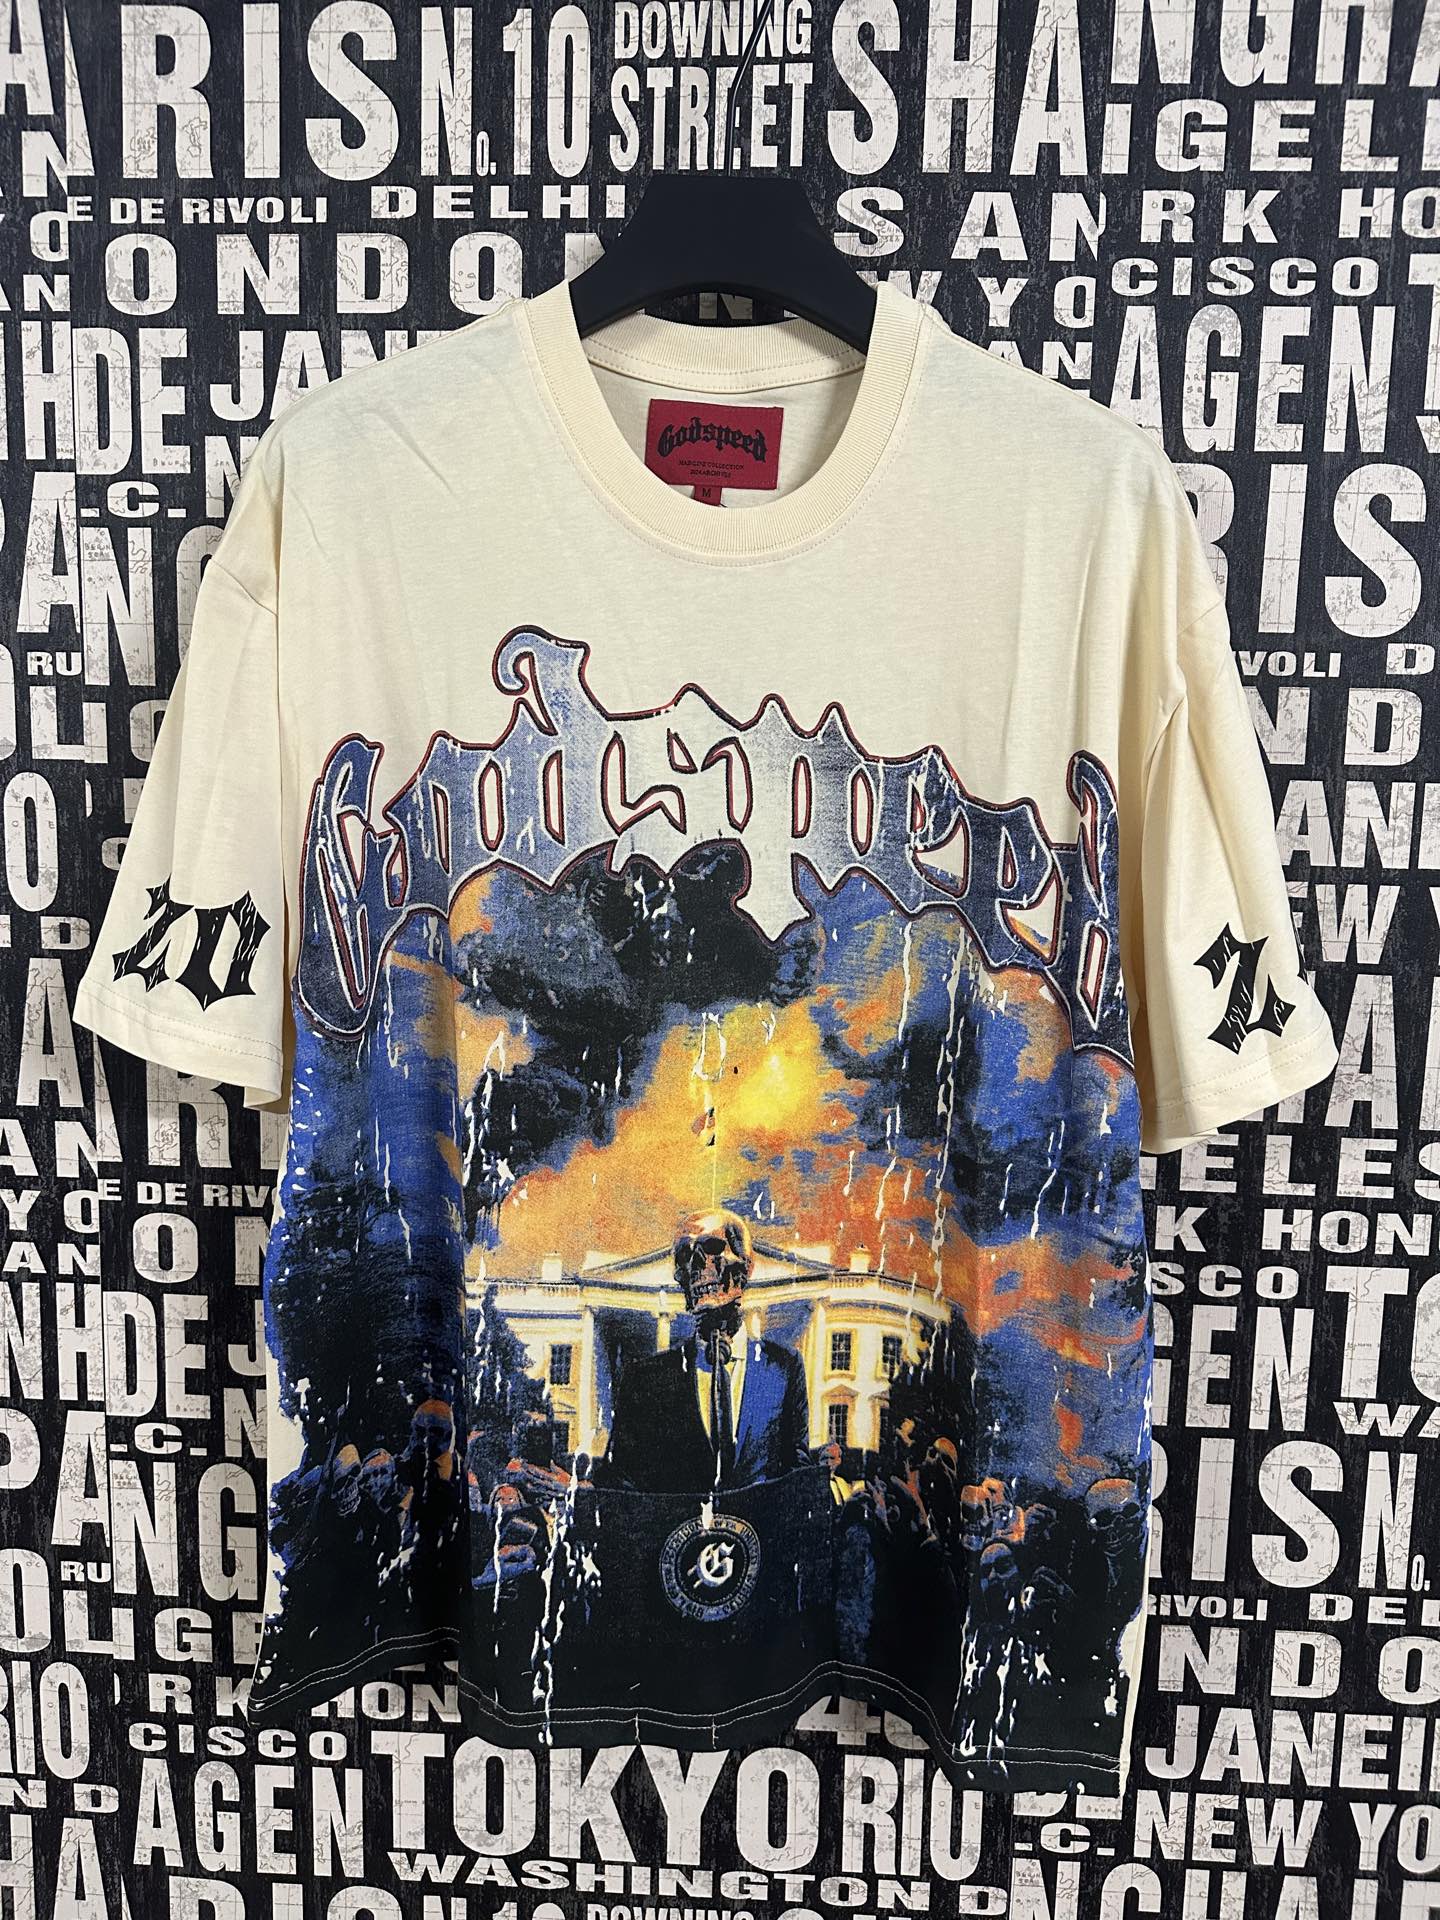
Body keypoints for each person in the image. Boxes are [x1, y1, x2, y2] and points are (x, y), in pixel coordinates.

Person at [601, 1207, 809, 1496]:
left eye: (712, 1250)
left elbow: (797, 1475)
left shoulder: (784, 1368)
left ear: (746, 1267)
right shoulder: (644, 1378)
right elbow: (621, 1481)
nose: (696, 1267)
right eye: (685, 1258)